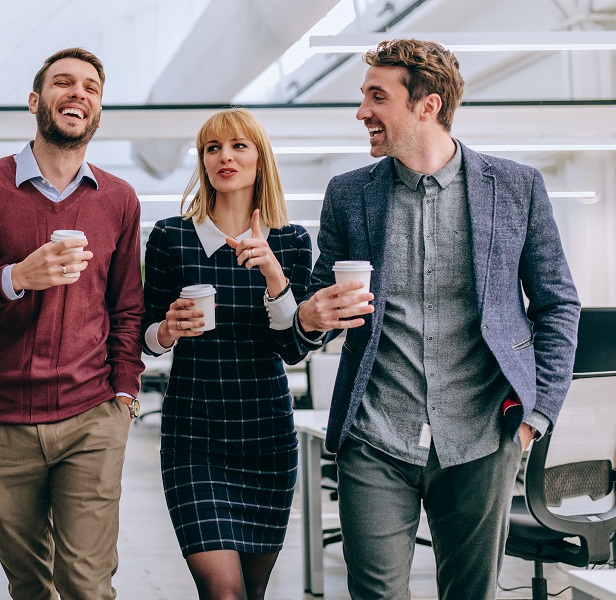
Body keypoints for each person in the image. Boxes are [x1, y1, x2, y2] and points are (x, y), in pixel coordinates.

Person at [295, 39, 580, 599]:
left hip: (481, 435)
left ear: (428, 104)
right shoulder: (349, 195)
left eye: (377, 97)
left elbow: (556, 304)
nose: (362, 113)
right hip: (376, 433)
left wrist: (537, 415)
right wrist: (310, 315)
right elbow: (320, 304)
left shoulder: (516, 188)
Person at [0, 47, 144, 600]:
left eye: (91, 87)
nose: (78, 93)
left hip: (91, 416)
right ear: (35, 100)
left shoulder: (119, 199)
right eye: (63, 82)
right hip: (1, 422)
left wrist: (124, 391)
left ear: (97, 111)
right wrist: (14, 277)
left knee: (86, 583)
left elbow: (127, 307)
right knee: (30, 584)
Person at [141, 108, 314, 600]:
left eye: (239, 146)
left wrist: (275, 278)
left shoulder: (290, 241)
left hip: (267, 437)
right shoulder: (171, 237)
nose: (225, 157)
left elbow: (293, 348)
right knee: (225, 594)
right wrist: (167, 331)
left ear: (260, 159)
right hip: (194, 436)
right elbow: (144, 336)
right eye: (213, 148)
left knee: (253, 594)